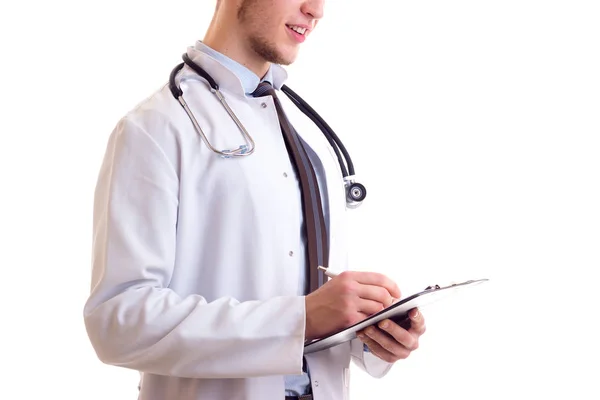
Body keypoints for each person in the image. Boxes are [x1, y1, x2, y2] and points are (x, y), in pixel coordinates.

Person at [83, 0, 427, 399]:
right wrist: (301, 318)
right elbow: (118, 324)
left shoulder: (302, 130)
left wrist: (368, 328)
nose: (316, 10)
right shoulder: (155, 129)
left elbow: (302, 294)